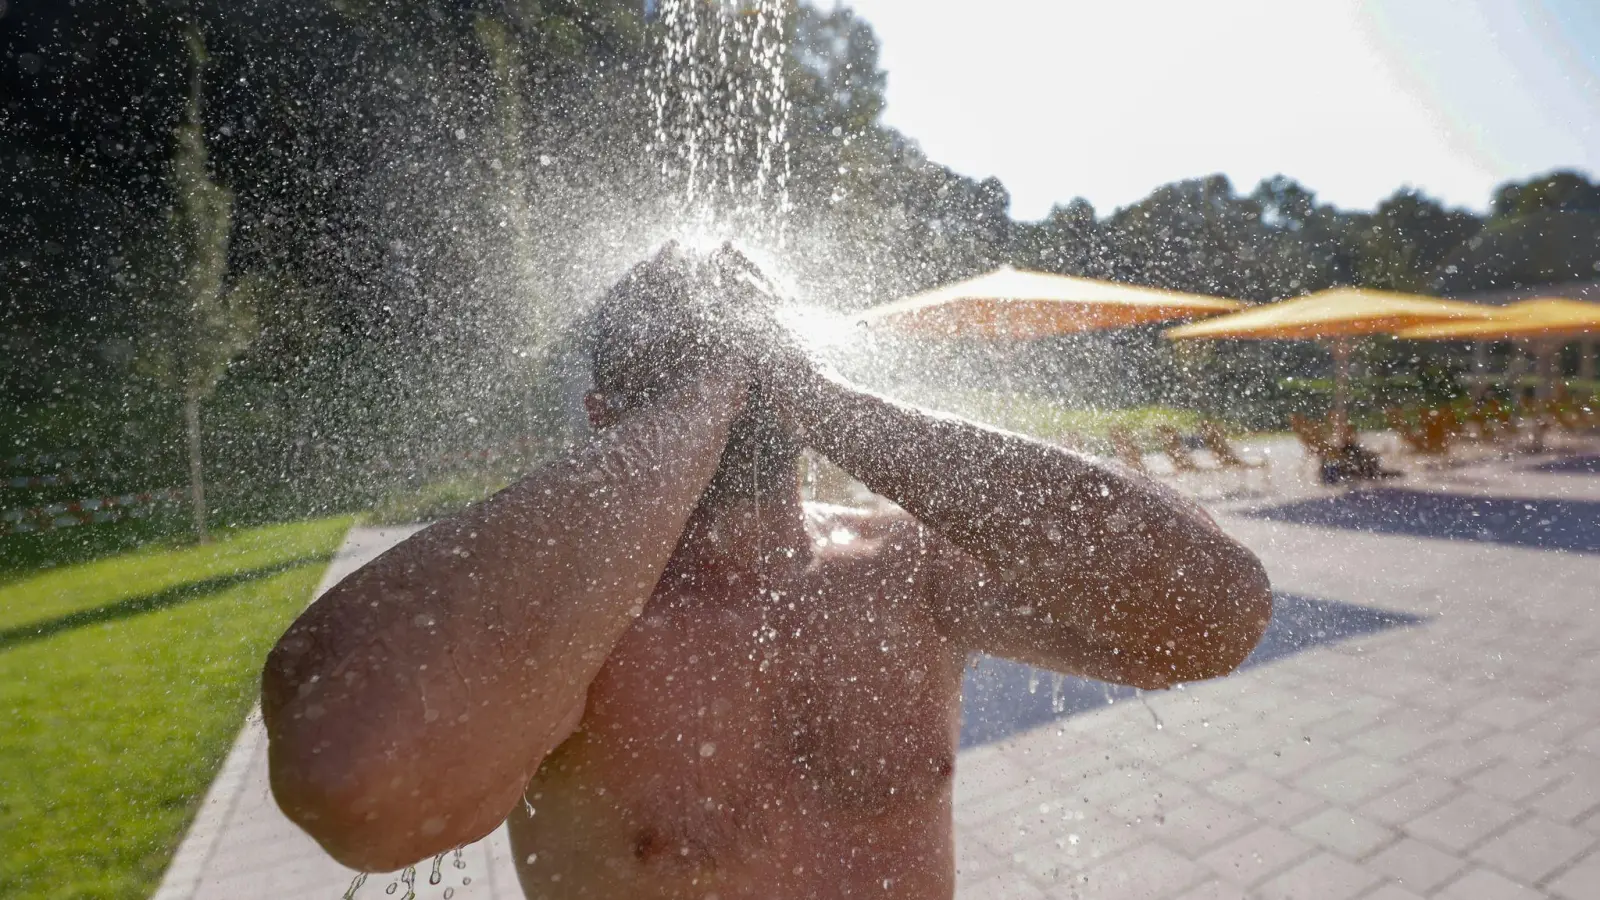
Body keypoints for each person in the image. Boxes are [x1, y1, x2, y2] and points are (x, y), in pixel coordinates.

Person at [261, 243, 1272, 899]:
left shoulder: (908, 568)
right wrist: (701, 406)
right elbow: (358, 785)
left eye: (748, 356)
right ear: (608, 423)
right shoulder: (564, 626)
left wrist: (827, 403)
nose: (730, 375)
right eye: (684, 363)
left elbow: (1213, 612)